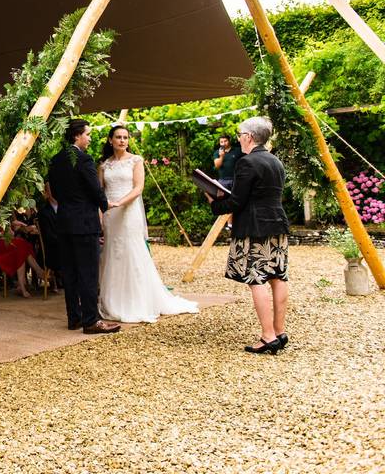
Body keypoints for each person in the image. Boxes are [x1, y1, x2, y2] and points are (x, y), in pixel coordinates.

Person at [97, 125, 198, 323]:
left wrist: (120, 203)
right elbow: (100, 192)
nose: (122, 141)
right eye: (118, 137)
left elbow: (138, 188)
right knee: (112, 253)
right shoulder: (104, 165)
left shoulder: (136, 160)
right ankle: (113, 300)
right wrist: (101, 213)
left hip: (127, 211)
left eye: (125, 137)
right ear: (110, 140)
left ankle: (138, 300)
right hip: (110, 213)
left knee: (132, 252)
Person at [207, 117, 290, 355]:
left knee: (257, 278)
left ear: (249, 137)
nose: (238, 138)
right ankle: (279, 331)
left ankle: (267, 336)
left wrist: (213, 200)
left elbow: (236, 201)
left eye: (240, 134)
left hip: (254, 227)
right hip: (277, 223)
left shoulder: (247, 162)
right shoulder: (276, 161)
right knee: (278, 276)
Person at [46, 119, 120, 335]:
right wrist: (105, 204)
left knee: (70, 273)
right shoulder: (84, 159)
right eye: (87, 134)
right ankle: (91, 321)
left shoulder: (55, 160)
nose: (89, 138)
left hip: (65, 221)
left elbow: (56, 193)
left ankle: (74, 318)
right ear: (77, 135)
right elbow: (96, 189)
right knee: (88, 273)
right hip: (85, 223)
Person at [0, 216, 47, 298]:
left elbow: (11, 234)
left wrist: (14, 226)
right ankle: (38, 272)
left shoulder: (3, 214)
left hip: (4, 243)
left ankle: (24, 284)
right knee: (21, 245)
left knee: (23, 247)